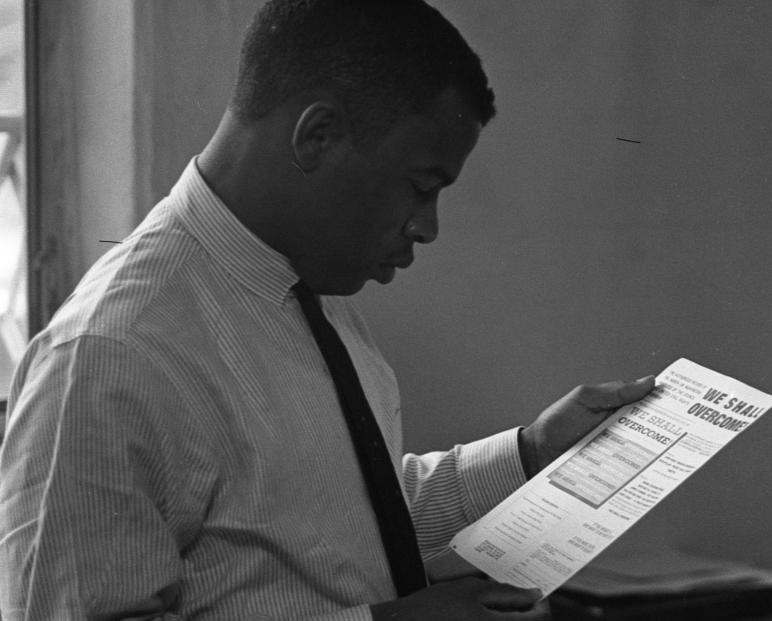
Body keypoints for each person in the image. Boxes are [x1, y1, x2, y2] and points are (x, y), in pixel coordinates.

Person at [0, 1, 655, 619]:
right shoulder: (113, 352)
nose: (426, 227)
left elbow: (340, 523)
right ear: (318, 136)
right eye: (421, 187)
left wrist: (530, 453)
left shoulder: (307, 288)